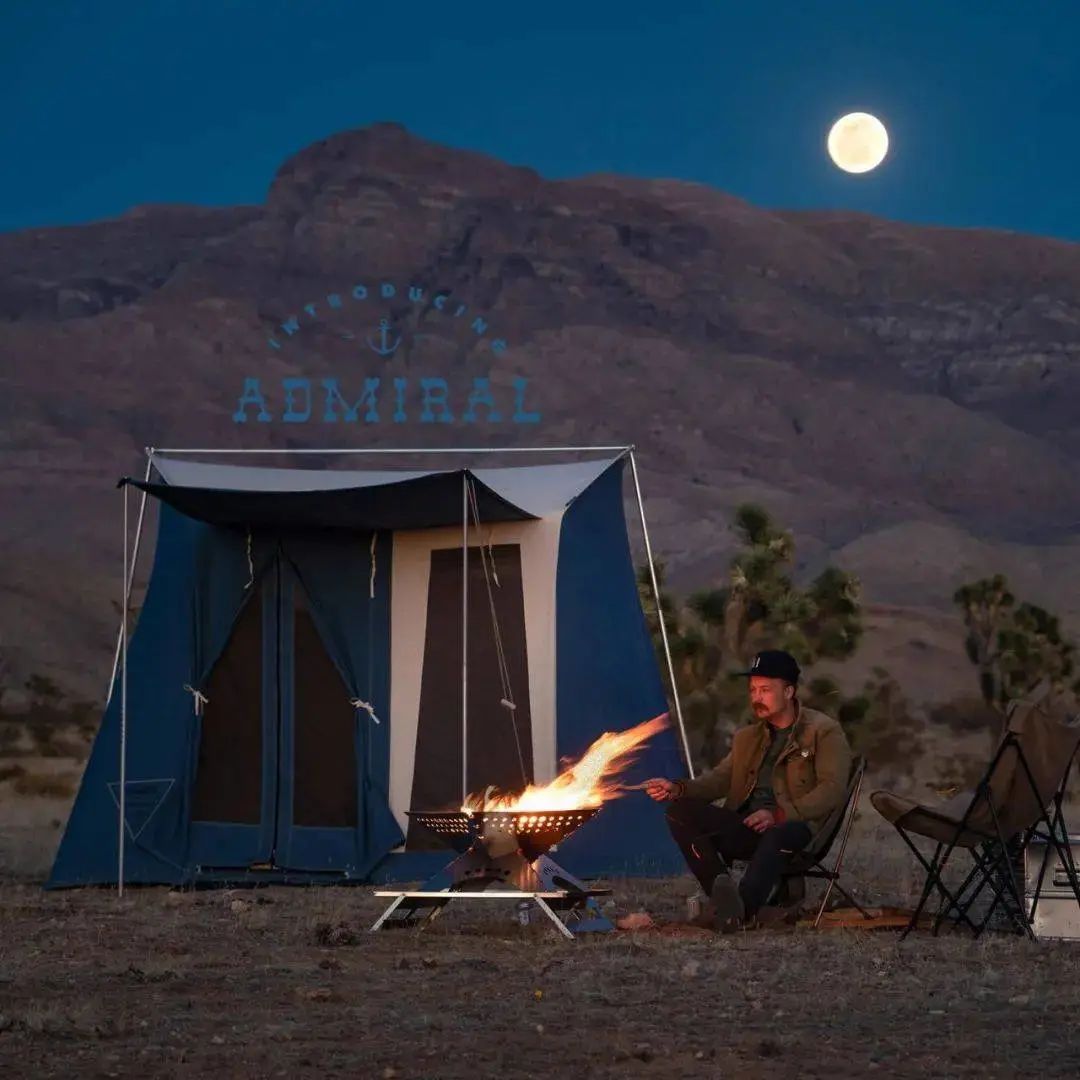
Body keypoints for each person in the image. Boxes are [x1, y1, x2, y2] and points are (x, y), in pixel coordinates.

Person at [645, 649, 852, 931]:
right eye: (753, 690)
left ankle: (740, 911)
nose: (757, 697)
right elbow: (719, 780)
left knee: (779, 831)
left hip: (794, 828)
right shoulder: (748, 737)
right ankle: (725, 897)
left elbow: (832, 789)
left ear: (789, 691)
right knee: (679, 812)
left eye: (766, 690)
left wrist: (779, 814)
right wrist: (678, 789)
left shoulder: (823, 732)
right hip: (748, 826)